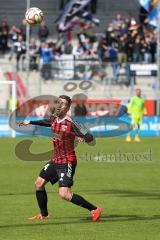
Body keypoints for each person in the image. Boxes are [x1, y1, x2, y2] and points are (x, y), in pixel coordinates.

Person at [19, 95, 102, 221]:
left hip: (67, 160)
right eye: (58, 102)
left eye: (62, 103)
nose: (58, 105)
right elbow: (47, 122)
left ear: (68, 108)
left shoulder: (71, 123)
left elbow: (90, 136)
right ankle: (44, 214)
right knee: (39, 184)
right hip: (55, 159)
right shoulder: (54, 118)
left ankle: (94, 209)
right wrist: (30, 121)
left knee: (64, 194)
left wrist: (83, 138)